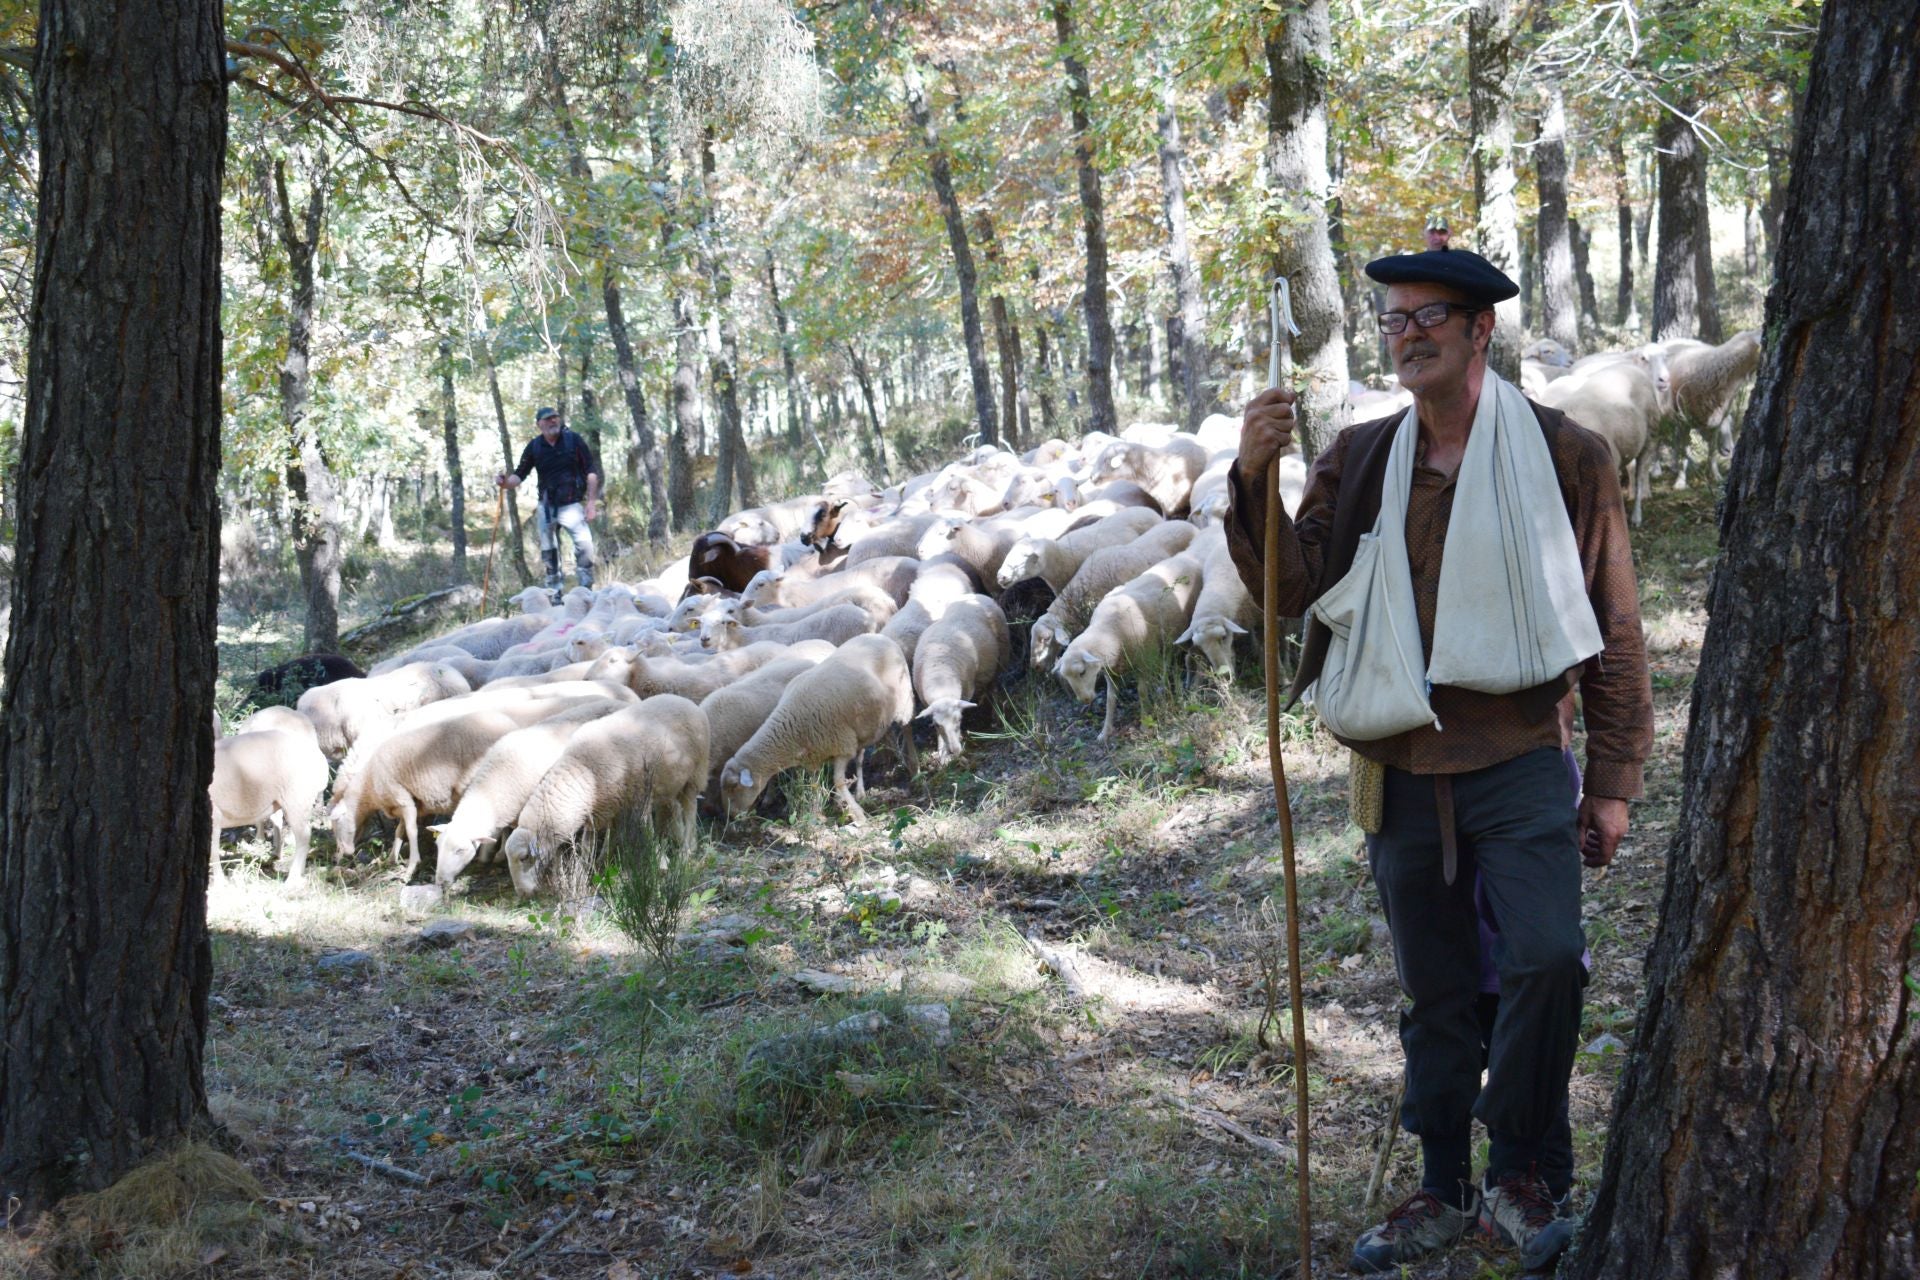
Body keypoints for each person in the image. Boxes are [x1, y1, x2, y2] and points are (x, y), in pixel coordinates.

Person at [1225, 249, 1652, 1275]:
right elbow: (1292, 591)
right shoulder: (1364, 458)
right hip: (1404, 764)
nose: (1406, 332)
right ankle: (1445, 1178)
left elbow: (1615, 626)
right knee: (1438, 986)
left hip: (1516, 756)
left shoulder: (1564, 454)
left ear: (1479, 332)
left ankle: (1524, 1168)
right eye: (1393, 317)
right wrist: (1251, 475)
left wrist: (1614, 779)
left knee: (1545, 955)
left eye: (1429, 316)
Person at [498, 407, 602, 600]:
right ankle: (555, 596)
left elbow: (591, 471)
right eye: (548, 419)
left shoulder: (574, 440)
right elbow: (519, 475)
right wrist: (504, 483)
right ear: (539, 424)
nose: (553, 421)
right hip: (546, 508)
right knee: (549, 553)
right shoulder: (534, 447)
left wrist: (591, 503)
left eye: (555, 418)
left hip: (572, 505)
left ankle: (586, 592)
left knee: (585, 547)